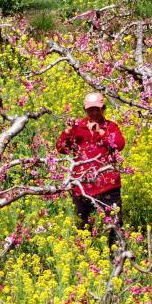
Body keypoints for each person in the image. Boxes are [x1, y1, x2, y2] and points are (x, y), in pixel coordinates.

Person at [56, 92, 126, 243]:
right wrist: (67, 131)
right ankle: (86, 254)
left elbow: (119, 145)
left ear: (103, 109)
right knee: (83, 228)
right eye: (90, 110)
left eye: (97, 109)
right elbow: (61, 148)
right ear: (85, 110)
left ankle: (117, 254)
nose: (93, 113)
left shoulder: (111, 127)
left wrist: (100, 132)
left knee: (115, 226)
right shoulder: (77, 128)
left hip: (108, 185)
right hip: (82, 186)